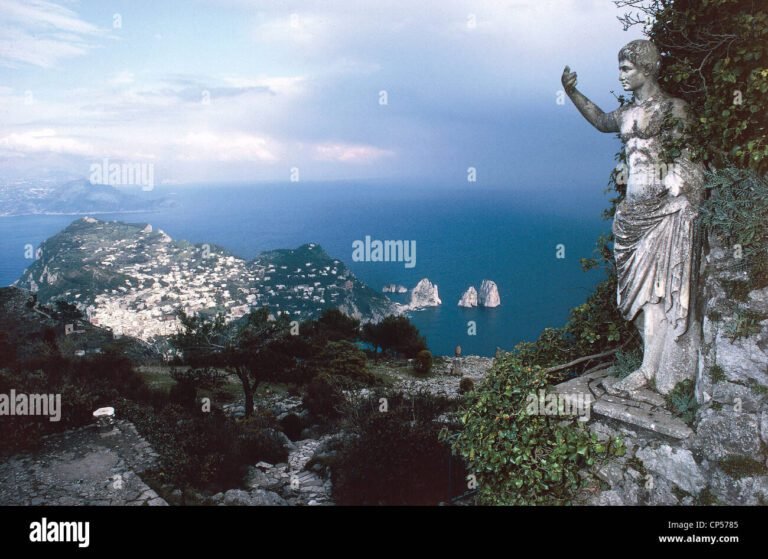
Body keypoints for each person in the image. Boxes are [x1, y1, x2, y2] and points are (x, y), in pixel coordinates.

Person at [561, 39, 704, 395]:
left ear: (648, 68)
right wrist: (572, 92)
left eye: (626, 68)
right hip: (632, 214)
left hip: (663, 210)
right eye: (620, 68)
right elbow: (598, 121)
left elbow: (689, 158)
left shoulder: (674, 109)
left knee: (656, 290)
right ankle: (648, 363)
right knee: (636, 295)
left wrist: (676, 182)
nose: (621, 75)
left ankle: (651, 368)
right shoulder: (626, 114)